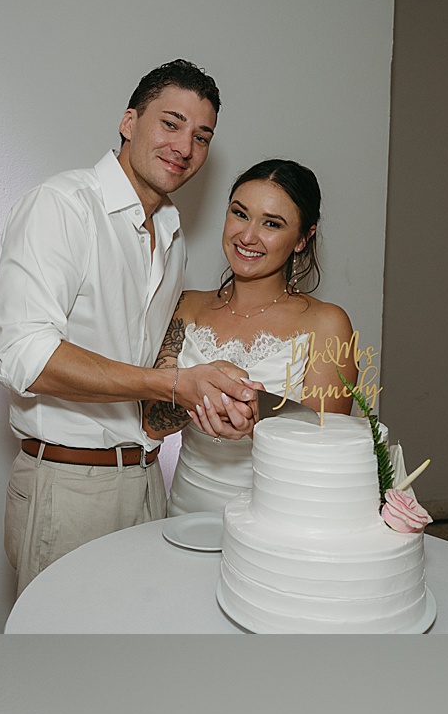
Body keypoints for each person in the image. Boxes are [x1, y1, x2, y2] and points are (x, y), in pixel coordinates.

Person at [0, 60, 260, 594]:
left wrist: (206, 403)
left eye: (201, 136)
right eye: (171, 123)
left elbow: (146, 393)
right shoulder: (63, 207)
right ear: (129, 122)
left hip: (148, 482)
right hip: (69, 485)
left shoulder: (172, 235)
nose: (184, 147)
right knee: (64, 647)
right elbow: (25, 357)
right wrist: (171, 383)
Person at [147, 160, 360, 514]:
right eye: (240, 214)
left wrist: (254, 411)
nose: (247, 236)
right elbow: (151, 425)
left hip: (275, 515)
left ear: (302, 238)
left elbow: (326, 446)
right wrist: (197, 391)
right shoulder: (187, 305)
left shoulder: (327, 323)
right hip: (186, 512)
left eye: (271, 224)